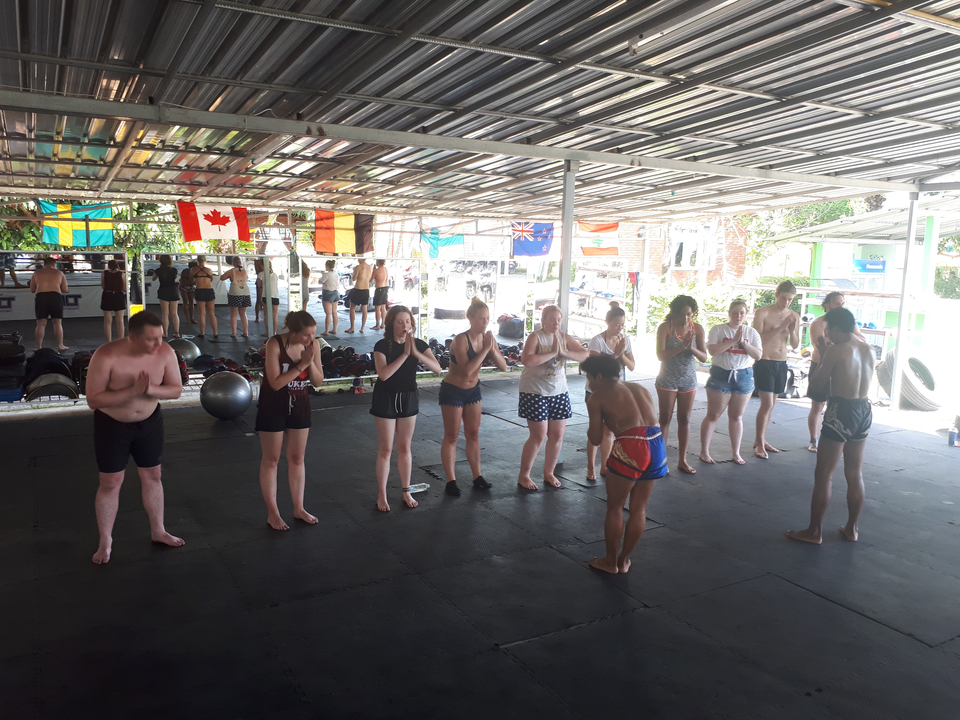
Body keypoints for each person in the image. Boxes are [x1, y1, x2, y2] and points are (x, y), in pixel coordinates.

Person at [85, 311, 185, 564]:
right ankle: (105, 541)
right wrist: (132, 392)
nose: (158, 344)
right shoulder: (106, 355)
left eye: (160, 337)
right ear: (132, 337)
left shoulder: (165, 352)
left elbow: (176, 390)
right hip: (112, 425)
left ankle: (158, 530)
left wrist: (149, 389)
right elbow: (93, 399)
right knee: (110, 483)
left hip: (150, 423)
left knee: (153, 475)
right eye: (151, 339)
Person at [787, 308, 875, 544]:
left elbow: (815, 386)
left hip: (841, 411)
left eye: (828, 332)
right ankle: (852, 529)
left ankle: (814, 531)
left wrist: (824, 355)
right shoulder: (868, 348)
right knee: (855, 473)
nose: (827, 336)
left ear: (836, 328)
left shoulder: (836, 350)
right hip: (864, 410)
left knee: (823, 474)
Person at [583, 354, 666, 574]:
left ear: (598, 376)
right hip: (657, 443)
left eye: (589, 378)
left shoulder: (597, 397)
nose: (589, 383)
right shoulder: (640, 389)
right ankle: (624, 560)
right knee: (639, 508)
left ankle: (610, 562)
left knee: (615, 506)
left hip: (631, 445)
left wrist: (596, 419)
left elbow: (595, 439)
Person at [256, 310, 324, 530]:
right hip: (273, 404)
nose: (310, 338)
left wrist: (310, 361)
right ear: (293, 332)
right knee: (272, 459)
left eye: (313, 333)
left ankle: (299, 508)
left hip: (299, 404)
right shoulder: (274, 344)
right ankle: (273, 513)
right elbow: (276, 383)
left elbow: (318, 382)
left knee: (297, 457)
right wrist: (301, 365)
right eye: (306, 334)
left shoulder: (314, 346)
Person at [371, 305, 442, 512]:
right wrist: (405, 354)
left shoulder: (418, 344)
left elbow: (437, 369)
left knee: (404, 447)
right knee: (386, 449)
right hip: (385, 397)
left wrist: (416, 353)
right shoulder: (381, 345)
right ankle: (382, 494)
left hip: (408, 397)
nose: (405, 325)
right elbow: (383, 375)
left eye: (408, 321)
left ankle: (406, 491)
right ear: (392, 324)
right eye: (400, 322)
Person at [440, 297, 507, 496]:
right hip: (453, 390)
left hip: (473, 391)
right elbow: (468, 370)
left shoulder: (488, 339)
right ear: (470, 318)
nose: (484, 323)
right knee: (452, 436)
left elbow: (503, 366)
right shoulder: (461, 340)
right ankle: (451, 481)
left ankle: (477, 476)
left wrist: (492, 347)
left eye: (487, 319)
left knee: (473, 434)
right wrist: (486, 349)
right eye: (480, 319)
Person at [517, 305, 590, 490]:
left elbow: (585, 355)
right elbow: (527, 360)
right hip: (534, 391)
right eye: (552, 319)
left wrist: (564, 353)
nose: (556, 323)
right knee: (538, 435)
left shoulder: (564, 337)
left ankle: (549, 472)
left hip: (559, 391)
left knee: (557, 435)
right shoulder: (536, 337)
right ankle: (524, 475)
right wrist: (552, 353)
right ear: (543, 321)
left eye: (559, 319)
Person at [699, 299, 763, 465]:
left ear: (746, 315)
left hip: (743, 376)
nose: (738, 316)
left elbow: (758, 355)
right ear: (729, 314)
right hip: (721, 375)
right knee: (713, 415)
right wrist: (733, 341)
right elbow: (712, 351)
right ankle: (704, 451)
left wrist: (743, 343)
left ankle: (736, 453)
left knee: (736, 416)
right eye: (735, 313)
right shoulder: (718, 329)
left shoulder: (751, 332)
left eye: (742, 313)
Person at [806, 292, 867, 452]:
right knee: (817, 405)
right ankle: (814, 440)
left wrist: (845, 337)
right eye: (837, 303)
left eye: (843, 303)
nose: (841, 306)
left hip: (843, 369)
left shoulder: (850, 324)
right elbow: (819, 343)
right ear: (827, 305)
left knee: (834, 405)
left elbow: (862, 339)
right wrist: (842, 340)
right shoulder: (818, 323)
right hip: (820, 363)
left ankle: (835, 440)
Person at [655, 295, 706, 475]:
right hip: (667, 378)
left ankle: (683, 460)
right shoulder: (665, 327)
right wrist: (682, 346)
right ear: (674, 313)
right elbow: (660, 355)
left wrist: (691, 348)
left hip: (688, 379)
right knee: (665, 418)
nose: (686, 318)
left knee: (685, 419)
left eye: (689, 314)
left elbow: (704, 357)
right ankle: (661, 461)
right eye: (682, 314)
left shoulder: (697, 329)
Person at [585, 301, 636, 481]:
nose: (619, 328)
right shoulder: (597, 341)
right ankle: (591, 467)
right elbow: (597, 369)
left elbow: (632, 366)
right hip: (596, 392)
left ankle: (605, 466)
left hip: (615, 392)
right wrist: (615, 355)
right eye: (616, 325)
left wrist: (621, 354)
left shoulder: (625, 340)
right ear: (607, 322)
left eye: (622, 325)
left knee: (609, 431)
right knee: (596, 429)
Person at [752, 280, 800, 459]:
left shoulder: (793, 316)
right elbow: (757, 340)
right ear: (776, 295)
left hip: (782, 362)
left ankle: (761, 440)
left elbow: (795, 345)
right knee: (766, 404)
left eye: (790, 299)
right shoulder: (762, 312)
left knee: (772, 405)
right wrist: (781, 327)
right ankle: (759, 442)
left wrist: (792, 330)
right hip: (765, 360)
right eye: (783, 298)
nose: (786, 302)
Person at [29, 256, 69, 351]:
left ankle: (38, 347)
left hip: (41, 297)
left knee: (41, 324)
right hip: (55, 296)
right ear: (54, 264)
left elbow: (32, 290)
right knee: (57, 323)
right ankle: (60, 345)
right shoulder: (59, 273)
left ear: (44, 264)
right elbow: (64, 289)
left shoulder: (36, 273)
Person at [222, 256, 251, 338]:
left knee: (233, 314)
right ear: (240, 262)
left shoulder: (231, 271)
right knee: (243, 313)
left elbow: (222, 278)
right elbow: (246, 278)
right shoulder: (245, 271)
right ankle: (245, 332)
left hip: (235, 293)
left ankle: (234, 332)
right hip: (245, 292)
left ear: (233, 263)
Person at [151, 255, 180, 339]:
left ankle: (165, 333)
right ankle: (177, 332)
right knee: (174, 313)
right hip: (173, 290)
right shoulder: (174, 270)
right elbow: (175, 277)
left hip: (163, 290)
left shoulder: (158, 270)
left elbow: (153, 278)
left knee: (165, 313)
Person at [190, 255, 218, 341]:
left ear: (197, 261)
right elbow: (211, 279)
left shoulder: (193, 269)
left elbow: (191, 280)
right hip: (209, 290)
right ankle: (215, 333)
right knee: (211, 313)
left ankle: (202, 333)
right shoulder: (209, 270)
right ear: (205, 260)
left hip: (199, 290)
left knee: (202, 313)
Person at [100, 259, 127, 342]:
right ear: (117, 265)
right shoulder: (121, 274)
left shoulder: (104, 273)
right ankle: (120, 340)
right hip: (118, 295)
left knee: (107, 321)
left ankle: (109, 341)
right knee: (120, 320)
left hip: (107, 295)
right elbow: (124, 288)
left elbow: (103, 285)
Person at [346, 258, 372, 333]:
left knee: (352, 308)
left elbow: (354, 279)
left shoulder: (358, 267)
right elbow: (369, 279)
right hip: (366, 289)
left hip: (358, 289)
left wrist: (354, 271)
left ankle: (352, 327)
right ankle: (362, 328)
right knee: (364, 309)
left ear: (360, 259)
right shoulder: (370, 267)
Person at [257, 261, 281, 336]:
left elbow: (258, 284)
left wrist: (262, 286)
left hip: (266, 295)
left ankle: (268, 332)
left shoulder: (261, 274)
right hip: (275, 295)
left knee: (266, 315)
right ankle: (274, 332)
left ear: (262, 266)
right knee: (274, 315)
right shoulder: (275, 274)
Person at [318, 260, 340, 336]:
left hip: (327, 293)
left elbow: (320, 282)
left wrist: (322, 275)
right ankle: (334, 329)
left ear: (327, 266)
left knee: (328, 314)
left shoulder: (327, 274)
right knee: (334, 312)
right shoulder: (336, 274)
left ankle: (326, 331)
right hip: (335, 293)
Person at [372, 259, 389, 330]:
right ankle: (383, 324)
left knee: (377, 308)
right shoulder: (385, 269)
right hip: (385, 288)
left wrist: (373, 270)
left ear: (378, 262)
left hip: (379, 289)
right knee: (383, 307)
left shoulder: (377, 271)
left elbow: (370, 279)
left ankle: (377, 324)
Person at [179, 260, 197, 325]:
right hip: (185, 287)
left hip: (188, 287)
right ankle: (188, 319)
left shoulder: (193, 272)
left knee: (189, 302)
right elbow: (183, 281)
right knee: (187, 302)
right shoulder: (186, 271)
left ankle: (190, 318)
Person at [253, 259, 265, 323]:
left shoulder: (257, 262)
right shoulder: (258, 262)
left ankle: (257, 317)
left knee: (259, 300)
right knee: (260, 300)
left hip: (261, 281)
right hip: (262, 281)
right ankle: (257, 317)